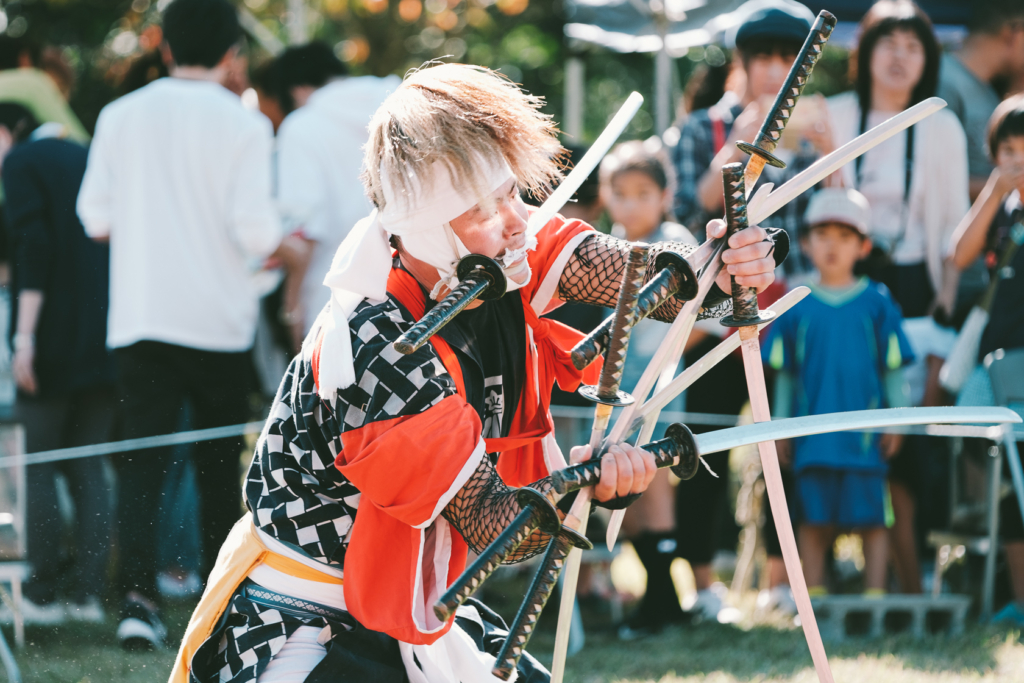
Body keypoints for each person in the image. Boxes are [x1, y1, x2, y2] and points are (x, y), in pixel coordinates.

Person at [170, 63, 787, 683]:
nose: (518, 219)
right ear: (432, 220)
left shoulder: (489, 255)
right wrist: (590, 482)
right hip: (302, 623)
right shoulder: (374, 339)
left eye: (512, 193)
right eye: (486, 206)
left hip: (408, 608)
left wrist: (714, 267)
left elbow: (634, 276)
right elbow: (496, 525)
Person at [76, 0, 283, 650]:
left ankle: (136, 600)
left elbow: (95, 219)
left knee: (141, 462)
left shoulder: (119, 116)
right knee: (220, 466)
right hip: (219, 320)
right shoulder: (245, 125)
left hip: (141, 315)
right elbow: (257, 229)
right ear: (231, 53)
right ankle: (219, 608)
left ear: (165, 47)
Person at [824, 0, 969, 595]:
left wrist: (945, 305)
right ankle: (822, 575)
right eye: (888, 42)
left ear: (929, 60)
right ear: (864, 53)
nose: (900, 56)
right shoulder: (829, 116)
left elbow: (953, 228)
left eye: (914, 46)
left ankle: (913, 577)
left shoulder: (939, 124)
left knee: (906, 442)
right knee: (833, 432)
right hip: (835, 290)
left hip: (913, 292)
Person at [765, 187, 913, 596]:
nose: (833, 245)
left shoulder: (878, 303)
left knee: (872, 520)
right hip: (814, 441)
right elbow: (786, 374)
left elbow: (893, 369)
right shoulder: (795, 305)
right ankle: (813, 604)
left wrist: (896, 420)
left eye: (845, 236)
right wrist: (777, 425)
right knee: (813, 521)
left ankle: (874, 600)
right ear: (807, 243)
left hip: (865, 438)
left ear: (863, 246)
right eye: (823, 234)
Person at [0, 103, 115, 624]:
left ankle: (43, 594)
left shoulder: (21, 161)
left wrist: (23, 336)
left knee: (39, 460)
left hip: (50, 332)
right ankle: (88, 595)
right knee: (91, 464)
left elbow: (35, 244)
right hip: (106, 329)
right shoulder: (85, 154)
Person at [595, 139, 697, 637]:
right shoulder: (606, 244)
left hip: (655, 388)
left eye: (642, 192)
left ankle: (663, 604)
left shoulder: (676, 243)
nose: (631, 203)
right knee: (621, 492)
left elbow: (708, 319)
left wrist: (664, 356)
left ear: (663, 195)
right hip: (615, 391)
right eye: (620, 192)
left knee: (652, 489)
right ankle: (664, 601)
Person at [671, 0, 823, 276]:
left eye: (789, 60)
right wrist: (733, 148)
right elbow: (686, 215)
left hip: (803, 293)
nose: (777, 72)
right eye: (764, 58)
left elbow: (842, 220)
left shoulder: (811, 128)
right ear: (742, 61)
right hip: (729, 293)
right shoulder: (702, 126)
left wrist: (833, 150)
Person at [949, 95, 1024, 624]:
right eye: (1008, 149)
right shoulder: (1003, 207)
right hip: (994, 362)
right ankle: (1017, 601)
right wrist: (996, 192)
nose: (1017, 159)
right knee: (998, 466)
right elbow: (959, 254)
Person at [275, 42, 399, 347]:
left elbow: (304, 228)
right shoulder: (400, 103)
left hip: (334, 301)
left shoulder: (302, 126)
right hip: (408, 286)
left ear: (298, 88)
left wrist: (291, 308)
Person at [0, 35, 88, 143]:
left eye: (61, 91)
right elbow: (80, 141)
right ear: (24, 60)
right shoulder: (32, 83)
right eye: (53, 89)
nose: (57, 98)